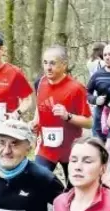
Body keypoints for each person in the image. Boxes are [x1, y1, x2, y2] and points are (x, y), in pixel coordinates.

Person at [33, 45, 92, 186]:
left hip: (70, 148)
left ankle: (66, 202)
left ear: (64, 65)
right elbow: (39, 105)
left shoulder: (76, 88)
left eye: (53, 63)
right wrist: (35, 121)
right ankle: (54, 200)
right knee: (36, 181)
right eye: (45, 63)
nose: (48, 67)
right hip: (46, 147)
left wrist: (68, 116)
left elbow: (89, 122)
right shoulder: (41, 82)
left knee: (73, 188)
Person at [86, 43, 110, 140]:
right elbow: (86, 93)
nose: (107, 58)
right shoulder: (97, 75)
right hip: (100, 120)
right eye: (105, 55)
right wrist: (95, 99)